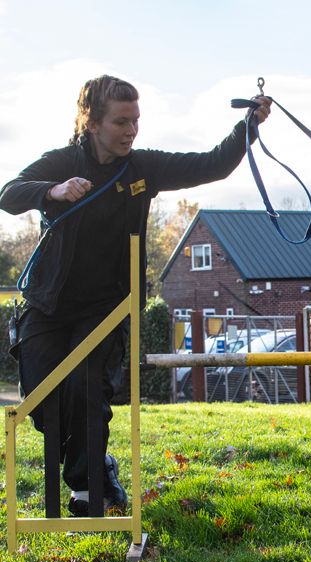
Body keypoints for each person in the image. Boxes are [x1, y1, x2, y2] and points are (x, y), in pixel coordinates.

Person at [0, 75, 271, 516]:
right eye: (121, 121)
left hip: (106, 306)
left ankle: (87, 491)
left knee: (86, 388)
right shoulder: (62, 161)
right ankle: (98, 465)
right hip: (49, 301)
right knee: (41, 400)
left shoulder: (142, 168)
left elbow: (212, 164)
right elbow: (8, 194)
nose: (131, 130)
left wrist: (248, 126)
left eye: (136, 120)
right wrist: (52, 190)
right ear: (92, 122)